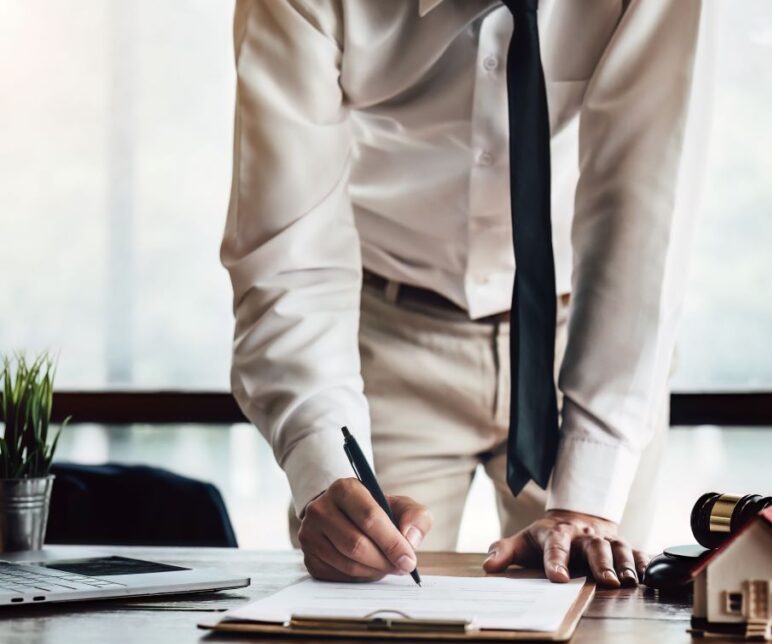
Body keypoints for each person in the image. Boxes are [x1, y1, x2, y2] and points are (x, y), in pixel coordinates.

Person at [221, 0, 704, 587]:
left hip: (587, 336)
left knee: (600, 626)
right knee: (366, 624)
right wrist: (324, 463)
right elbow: (289, 250)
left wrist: (587, 495)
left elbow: (648, 211)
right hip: (387, 339)